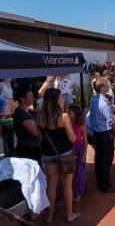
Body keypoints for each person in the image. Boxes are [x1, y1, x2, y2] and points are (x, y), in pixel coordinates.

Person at [37, 88, 81, 223]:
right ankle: (69, 214)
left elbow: (40, 138)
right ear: (56, 100)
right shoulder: (63, 116)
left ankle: (49, 216)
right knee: (67, 184)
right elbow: (73, 139)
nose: (63, 99)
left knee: (52, 184)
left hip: (48, 154)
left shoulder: (40, 116)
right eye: (61, 97)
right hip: (65, 154)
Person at [88, 78, 115, 193]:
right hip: (105, 134)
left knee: (100, 158)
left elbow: (110, 107)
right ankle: (106, 185)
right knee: (106, 160)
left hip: (96, 132)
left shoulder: (94, 98)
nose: (109, 87)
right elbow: (111, 121)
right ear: (102, 88)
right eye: (107, 85)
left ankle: (100, 182)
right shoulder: (104, 103)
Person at [13, 85, 41, 166]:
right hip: (28, 150)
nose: (33, 98)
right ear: (22, 99)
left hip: (30, 148)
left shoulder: (26, 111)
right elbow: (36, 131)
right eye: (31, 96)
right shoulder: (21, 113)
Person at [68, 105, 88, 202]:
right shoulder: (66, 124)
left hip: (79, 149)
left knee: (80, 172)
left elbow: (85, 142)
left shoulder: (82, 125)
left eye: (70, 112)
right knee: (70, 172)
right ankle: (70, 193)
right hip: (69, 149)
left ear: (75, 114)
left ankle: (79, 192)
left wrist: (84, 155)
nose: (68, 113)